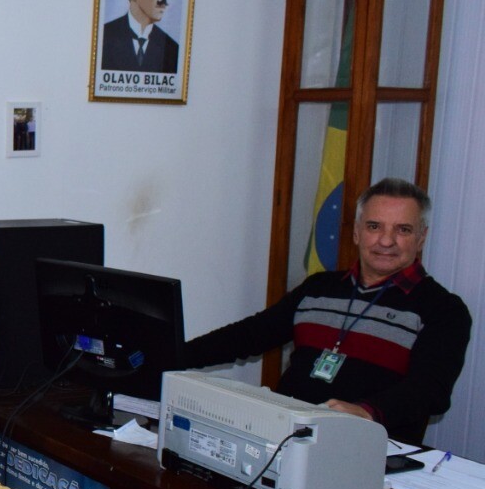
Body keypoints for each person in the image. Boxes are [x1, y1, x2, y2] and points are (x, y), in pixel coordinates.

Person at [182, 178, 471, 444]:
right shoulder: (318, 287)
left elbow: (430, 390)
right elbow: (248, 335)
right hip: (284, 438)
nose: (386, 241)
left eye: (403, 230)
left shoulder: (444, 309)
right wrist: (173, 356)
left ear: (421, 237)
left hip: (367, 449)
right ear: (356, 232)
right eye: (374, 226)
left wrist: (366, 412)